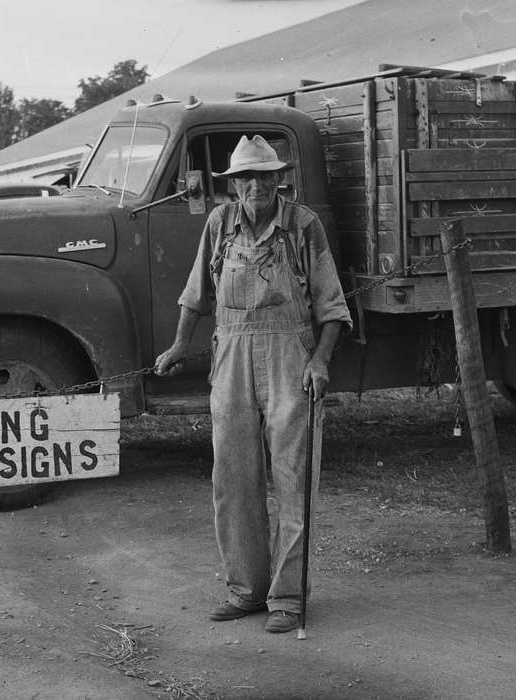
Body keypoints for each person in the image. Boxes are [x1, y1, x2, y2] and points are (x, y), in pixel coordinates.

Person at [154, 135, 352, 634]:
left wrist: (320, 361)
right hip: (232, 352)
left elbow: (331, 305)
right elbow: (197, 293)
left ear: (278, 179)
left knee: (293, 475)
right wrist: (180, 346)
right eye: (245, 177)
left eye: (264, 176)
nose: (255, 186)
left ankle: (287, 597)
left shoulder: (303, 225)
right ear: (234, 183)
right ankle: (246, 589)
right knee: (233, 474)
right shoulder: (219, 223)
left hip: (292, 353)